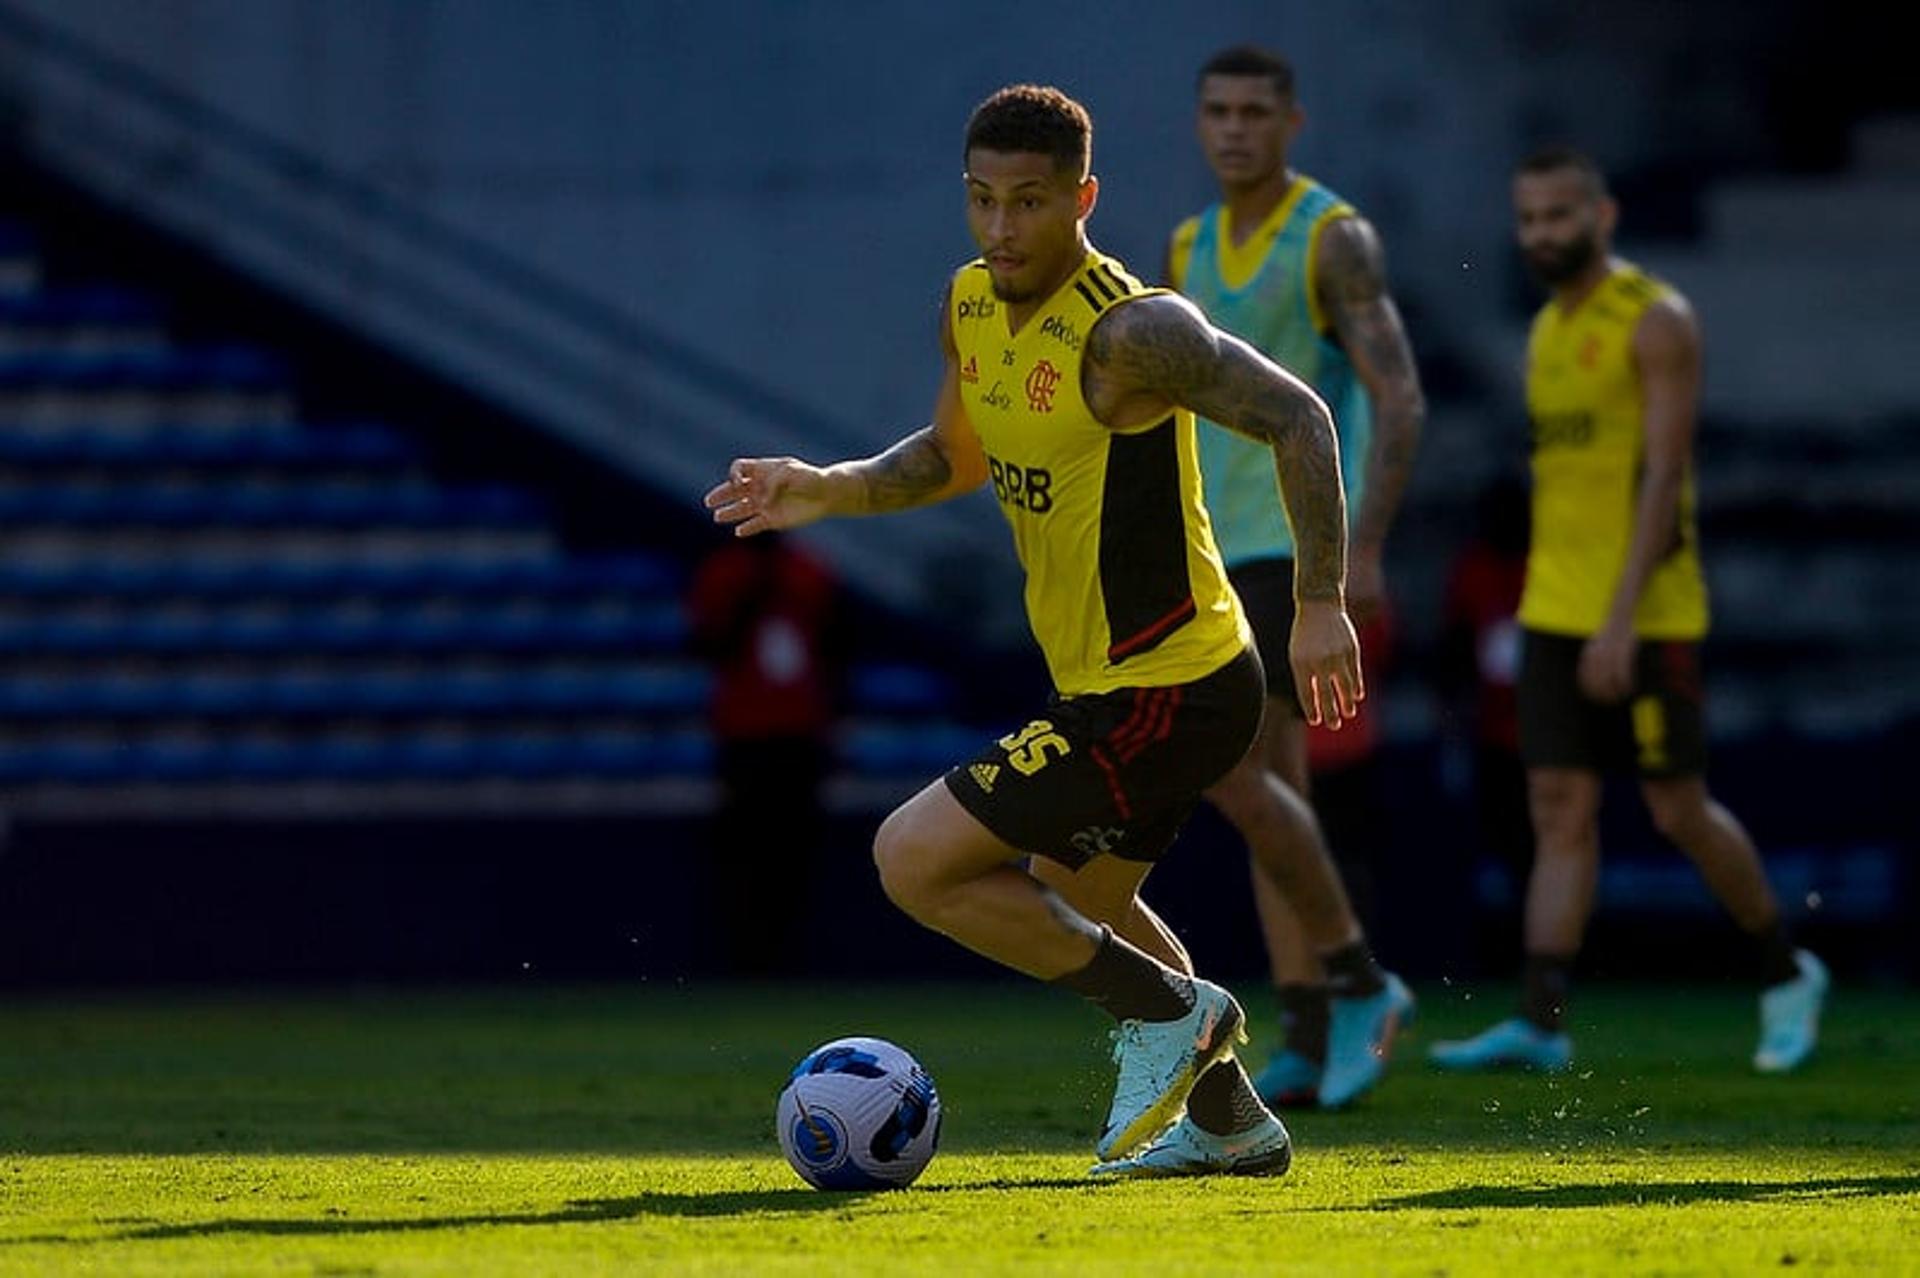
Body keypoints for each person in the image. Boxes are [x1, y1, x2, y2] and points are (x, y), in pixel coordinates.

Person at [706, 84, 1379, 1178]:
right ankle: (1230, 1122)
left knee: (913, 859)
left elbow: (1300, 416)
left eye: (1028, 202)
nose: (1001, 228)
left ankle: (1173, 1015)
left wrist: (1318, 602)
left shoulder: (1132, 334)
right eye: (982, 200)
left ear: (1083, 198)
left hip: (1175, 683)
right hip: (1109, 686)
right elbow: (948, 458)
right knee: (1082, 908)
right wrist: (821, 486)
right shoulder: (970, 305)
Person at [1429, 147, 1828, 1074]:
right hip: (1553, 610)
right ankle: (1541, 1019)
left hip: (1646, 614)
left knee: (1676, 807)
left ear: (1602, 216)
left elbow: (1661, 479)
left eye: (1559, 216)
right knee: (1558, 807)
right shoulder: (1545, 336)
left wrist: (1618, 622)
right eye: (1528, 219)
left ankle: (1785, 973)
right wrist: (1558, 614)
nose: (1542, 235)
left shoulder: (1655, 322)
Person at [1168, 45, 1425, 1108]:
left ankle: (1354, 990)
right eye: (1217, 111)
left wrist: (1358, 551)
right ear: (1199, 124)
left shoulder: (1330, 238)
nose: (1234, 130)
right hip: (1212, 544)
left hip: (1294, 544)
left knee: (1243, 777)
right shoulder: (1187, 245)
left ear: (1292, 123)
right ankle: (1317, 1029)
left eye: (1254, 113)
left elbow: (1398, 396)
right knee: (1269, 792)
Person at [686, 528, 846, 975]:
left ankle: (789, 953)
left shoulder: (808, 568)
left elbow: (836, 647)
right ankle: (746, 955)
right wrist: (755, 593)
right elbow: (707, 642)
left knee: (794, 852)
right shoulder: (726, 572)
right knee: (745, 851)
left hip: (798, 730)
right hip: (745, 733)